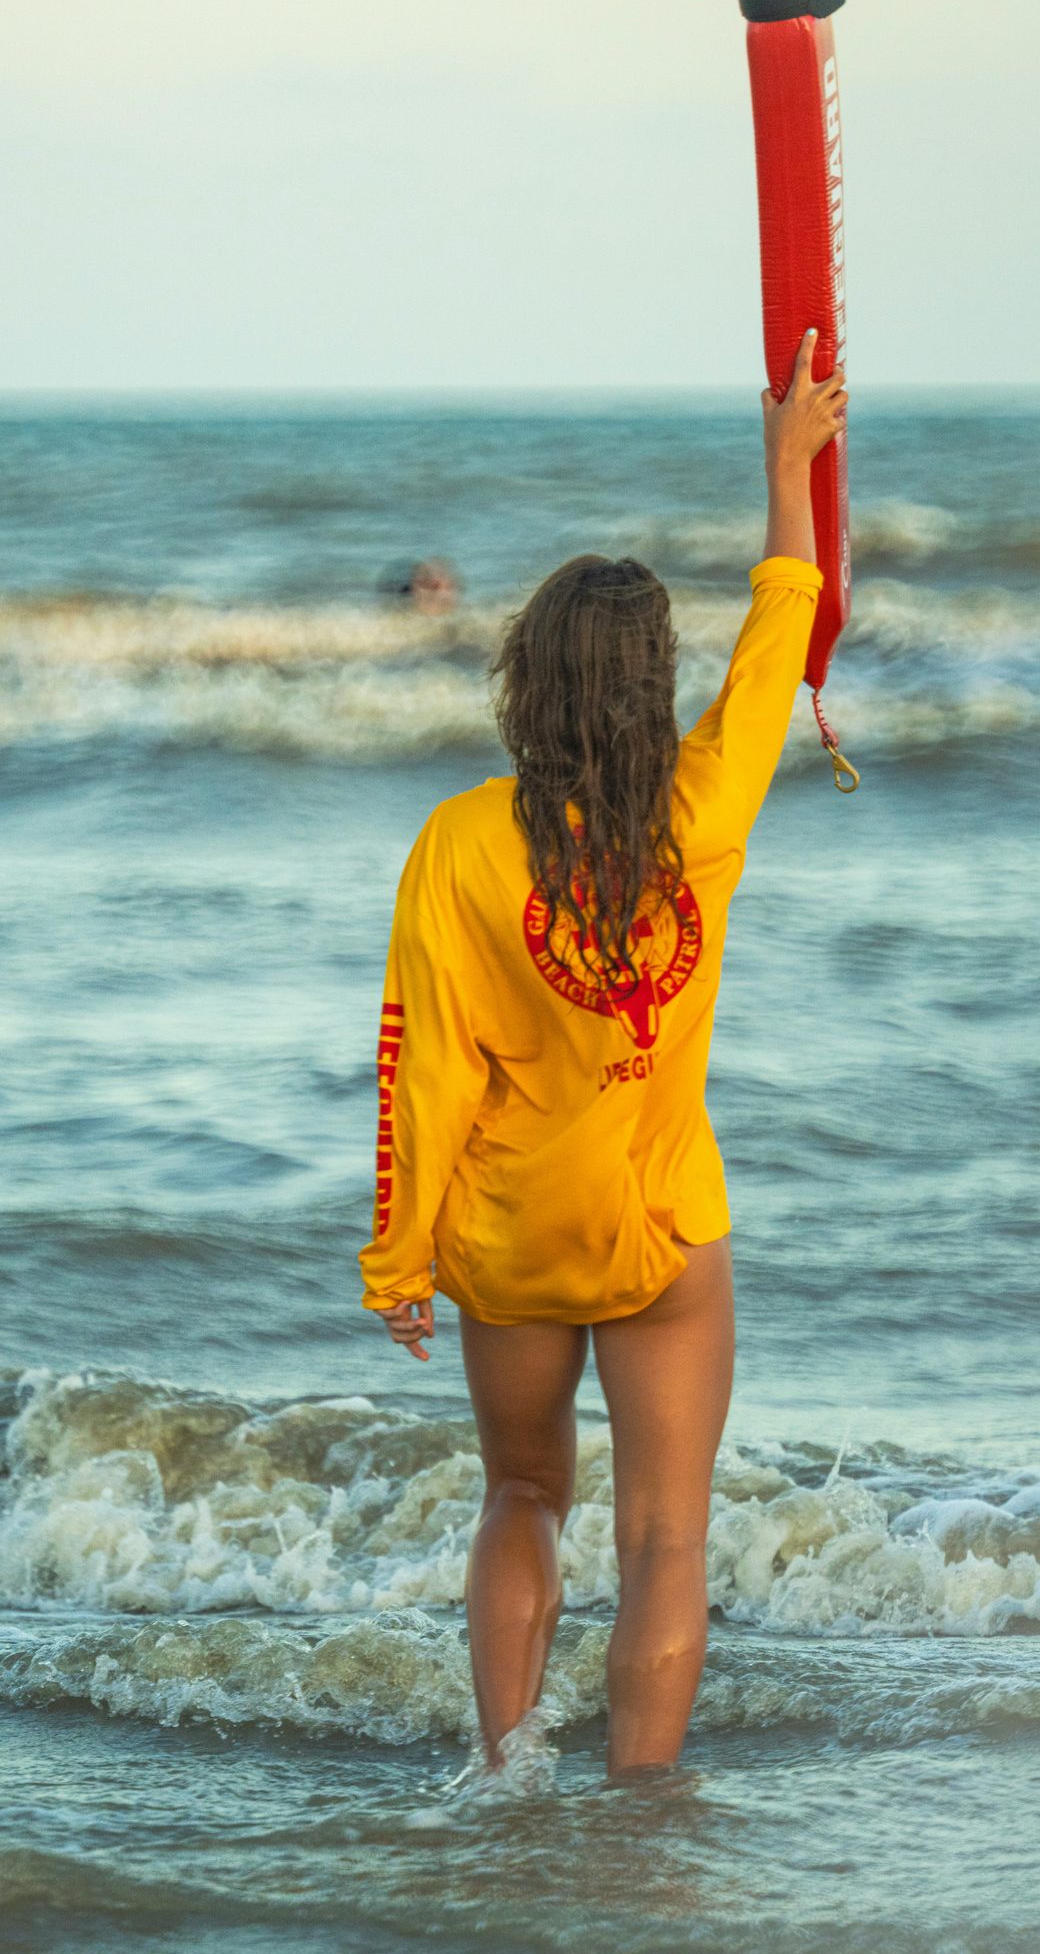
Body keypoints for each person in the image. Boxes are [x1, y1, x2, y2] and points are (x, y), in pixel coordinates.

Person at [358, 332, 848, 1779]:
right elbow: (785, 624)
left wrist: (399, 1256)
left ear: (527, 677)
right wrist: (786, 467)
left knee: (519, 1494)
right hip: (657, 1223)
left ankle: (504, 1774)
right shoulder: (703, 812)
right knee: (666, 1534)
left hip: (510, 1232)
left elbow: (421, 1068)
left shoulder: (458, 844)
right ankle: (642, 1812)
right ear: (652, 694)